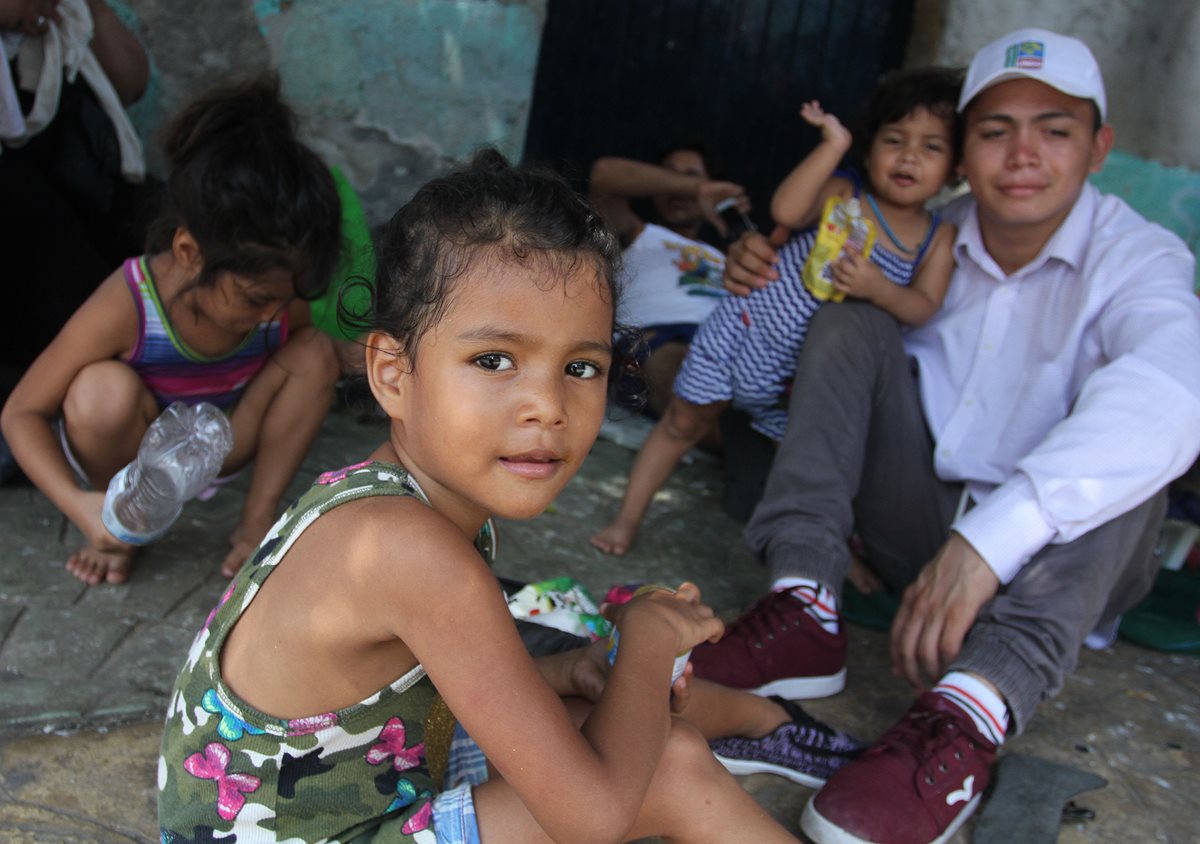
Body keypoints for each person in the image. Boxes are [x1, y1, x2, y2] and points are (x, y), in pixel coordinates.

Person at [155, 150, 873, 844]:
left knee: (598, 717)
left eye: (581, 366)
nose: (546, 406)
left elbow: (421, 680)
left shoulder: (394, 499)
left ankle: (750, 725)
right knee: (669, 771)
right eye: (494, 360)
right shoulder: (408, 548)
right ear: (392, 373)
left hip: (352, 792)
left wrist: (570, 671)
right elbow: (592, 820)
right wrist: (649, 639)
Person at [698, 28, 1200, 844]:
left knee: (1138, 442)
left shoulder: (1140, 260)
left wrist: (994, 537)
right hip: (917, 534)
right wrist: (761, 265)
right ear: (963, 152)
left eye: (1056, 129)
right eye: (996, 130)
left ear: (1100, 147)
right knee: (851, 323)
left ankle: (969, 714)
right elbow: (803, 306)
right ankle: (804, 603)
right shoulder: (917, 233)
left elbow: (1177, 388)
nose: (1023, 154)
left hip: (1060, 569)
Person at [591, 68, 961, 557]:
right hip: (741, 327)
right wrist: (832, 145)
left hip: (797, 374)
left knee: (808, 463)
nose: (909, 156)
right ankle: (627, 519)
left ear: (956, 169)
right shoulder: (844, 193)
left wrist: (879, 288)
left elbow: (923, 306)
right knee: (682, 423)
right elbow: (787, 211)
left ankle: (834, 555)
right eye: (893, 140)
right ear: (868, 149)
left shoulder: (938, 238)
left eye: (931, 147)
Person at [0, 74, 343, 586]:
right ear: (189, 253)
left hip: (222, 439)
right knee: (100, 392)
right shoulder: (129, 300)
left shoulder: (278, 299)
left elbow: (314, 361)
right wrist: (78, 504)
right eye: (256, 299)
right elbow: (21, 412)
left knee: (315, 353)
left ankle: (255, 525)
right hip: (138, 453)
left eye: (287, 299)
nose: (274, 315)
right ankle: (122, 524)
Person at [0, 0, 156, 404]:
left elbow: (132, 83)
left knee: (178, 230)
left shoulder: (65, 18)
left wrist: (93, 8)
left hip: (90, 191)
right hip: (32, 227)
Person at [587, 146, 747, 418]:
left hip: (729, 340)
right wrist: (696, 187)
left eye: (692, 175)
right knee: (684, 379)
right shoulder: (638, 233)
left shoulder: (725, 256)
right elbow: (604, 176)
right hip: (660, 341)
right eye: (670, 177)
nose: (680, 190)